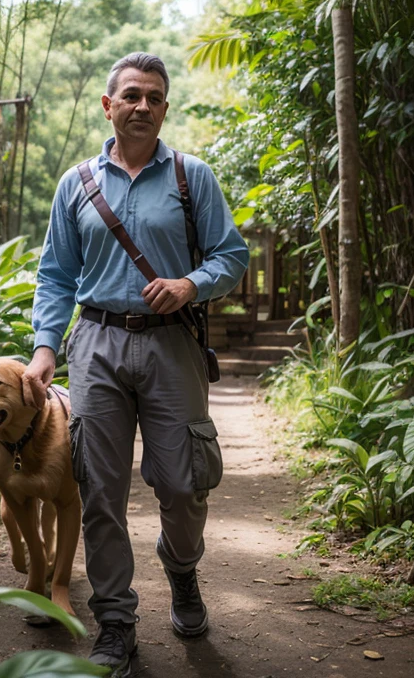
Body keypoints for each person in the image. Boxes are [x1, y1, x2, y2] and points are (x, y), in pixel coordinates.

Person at [25, 52, 249, 677]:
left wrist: (189, 284)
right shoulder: (75, 183)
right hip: (93, 345)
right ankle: (116, 621)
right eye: (130, 95)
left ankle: (181, 569)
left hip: (172, 343)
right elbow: (56, 276)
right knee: (99, 489)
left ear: (165, 107)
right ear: (109, 105)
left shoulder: (190, 176)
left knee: (184, 483)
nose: (142, 105)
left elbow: (231, 257)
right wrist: (45, 347)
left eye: (153, 96)